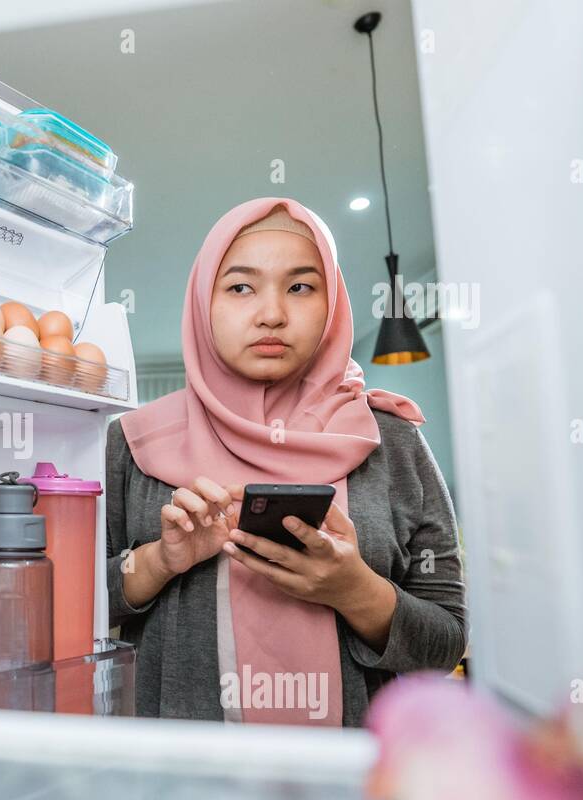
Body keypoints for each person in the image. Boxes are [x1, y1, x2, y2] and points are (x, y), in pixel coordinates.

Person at [107, 198, 466, 727]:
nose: (271, 313)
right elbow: (76, 607)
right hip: (180, 785)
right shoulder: (136, 442)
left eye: (300, 286)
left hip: (350, 789)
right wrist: (161, 561)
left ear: (333, 304)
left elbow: (445, 643)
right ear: (203, 303)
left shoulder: (390, 440)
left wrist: (353, 590)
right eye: (240, 287)